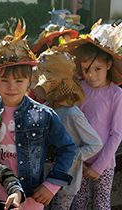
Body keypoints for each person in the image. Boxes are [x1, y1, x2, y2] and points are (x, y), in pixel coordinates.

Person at [0, 20, 76, 210]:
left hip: (31, 198)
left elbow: (67, 149)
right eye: (4, 80)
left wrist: (52, 185)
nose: (11, 87)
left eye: (19, 80)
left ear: (30, 80)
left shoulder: (44, 115)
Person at [32, 49, 103, 210]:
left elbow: (95, 144)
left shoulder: (72, 113)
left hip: (66, 182)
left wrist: (72, 156)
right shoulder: (46, 107)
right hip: (44, 177)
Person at [66, 21, 122, 209]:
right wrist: (78, 160)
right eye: (86, 70)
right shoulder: (79, 89)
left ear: (108, 64)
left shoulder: (116, 95)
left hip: (104, 163)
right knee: (78, 202)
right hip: (80, 160)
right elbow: (73, 127)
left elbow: (116, 134)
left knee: (101, 204)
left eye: (97, 69)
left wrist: (98, 166)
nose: (91, 75)